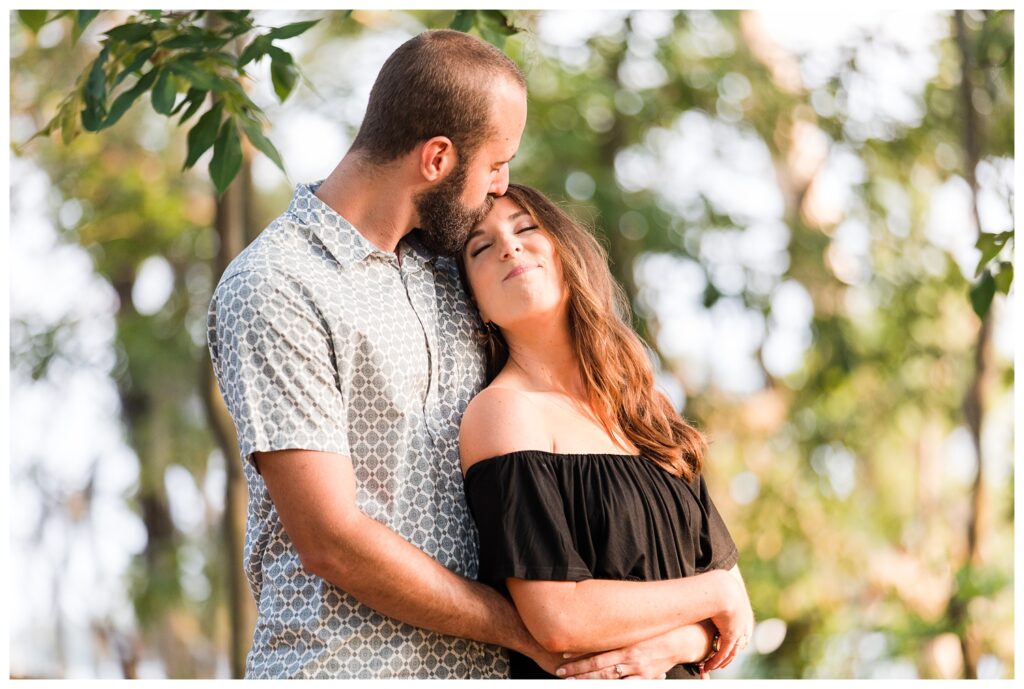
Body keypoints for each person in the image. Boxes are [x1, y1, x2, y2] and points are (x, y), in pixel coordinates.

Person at [206, 29, 554, 678]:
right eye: (497, 164)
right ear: (437, 158)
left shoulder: (457, 267)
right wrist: (526, 629)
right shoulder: (276, 284)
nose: (504, 188)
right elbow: (331, 540)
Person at [457, 184, 755, 679]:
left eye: (526, 228)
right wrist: (712, 597)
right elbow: (559, 618)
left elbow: (735, 617)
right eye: (482, 248)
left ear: (566, 255)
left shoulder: (648, 412)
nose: (509, 245)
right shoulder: (504, 413)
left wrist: (673, 643)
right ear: (479, 307)